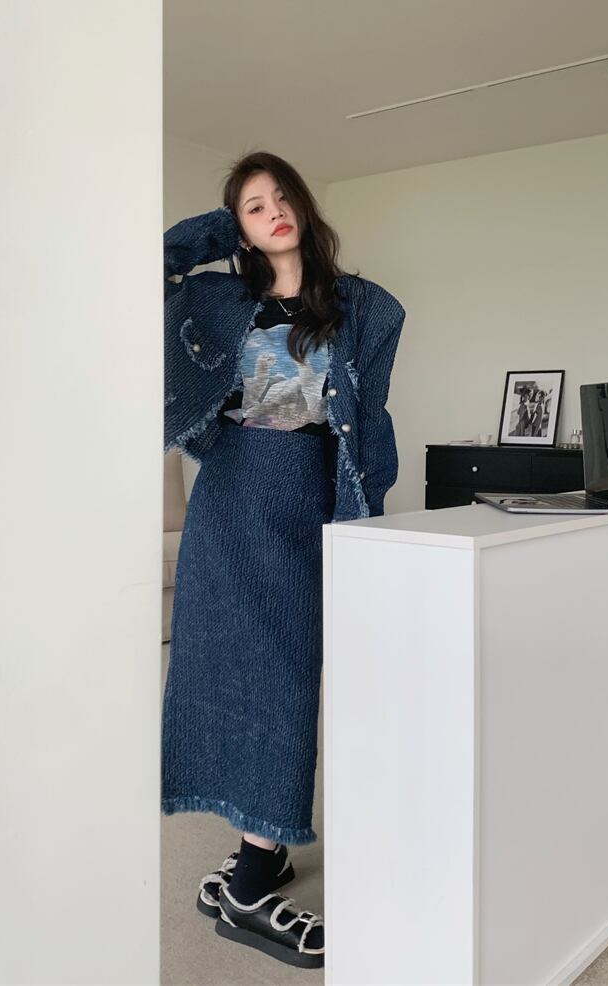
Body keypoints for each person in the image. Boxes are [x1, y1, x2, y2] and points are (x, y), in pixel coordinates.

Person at [160, 152, 406, 970]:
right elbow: (139, 278)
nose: (272, 212)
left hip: (311, 493)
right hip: (234, 494)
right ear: (241, 226)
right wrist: (215, 232)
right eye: (252, 207)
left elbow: (370, 420)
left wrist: (365, 514)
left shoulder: (363, 307)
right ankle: (249, 886)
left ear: (302, 203)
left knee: (292, 674)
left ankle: (253, 862)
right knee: (259, 678)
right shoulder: (221, 298)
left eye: (279, 197)